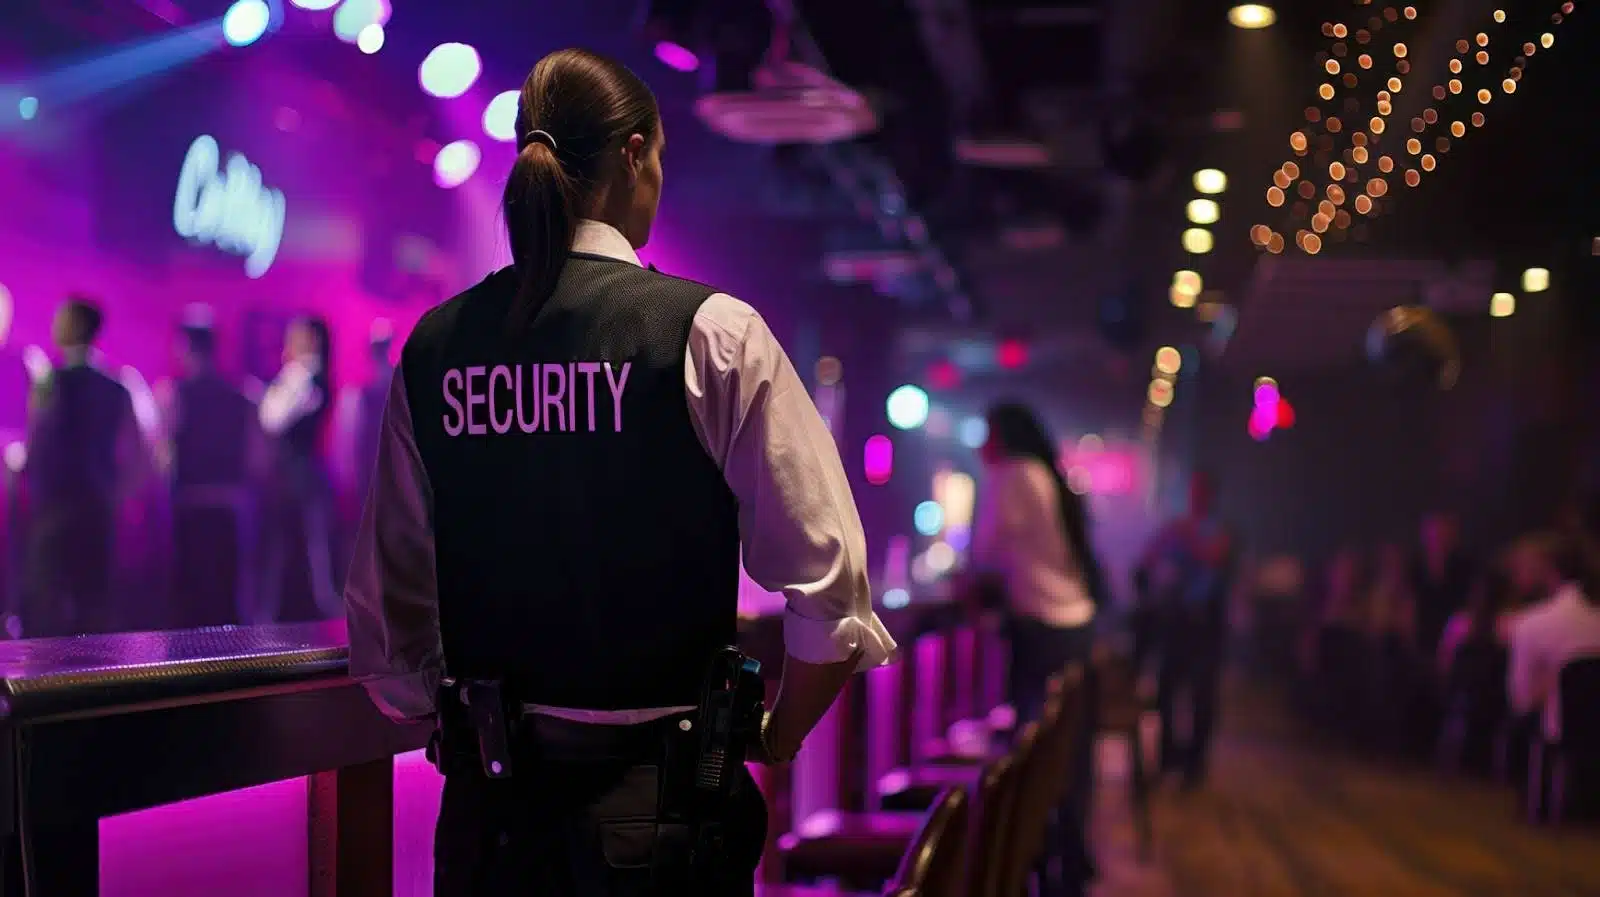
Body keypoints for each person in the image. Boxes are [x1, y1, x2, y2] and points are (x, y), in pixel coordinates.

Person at [343, 48, 894, 897]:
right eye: (661, 158)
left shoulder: (435, 346)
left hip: (491, 823)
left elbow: (387, 625)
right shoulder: (710, 332)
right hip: (664, 815)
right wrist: (778, 735)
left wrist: (465, 711)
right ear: (633, 154)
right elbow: (828, 582)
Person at [969, 402, 1104, 897]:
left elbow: (982, 556)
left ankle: (1041, 866)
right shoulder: (1043, 474)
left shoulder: (1012, 476)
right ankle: (1066, 867)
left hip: (1043, 629)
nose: (981, 446)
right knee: (1063, 759)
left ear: (1002, 437)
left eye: (986, 434)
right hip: (1073, 624)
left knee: (1038, 761)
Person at [22, 296, 149, 635]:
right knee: (94, 602)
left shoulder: (50, 381)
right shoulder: (118, 386)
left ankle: (48, 683)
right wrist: (118, 496)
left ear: (74, 326)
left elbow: (37, 443)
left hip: (54, 507)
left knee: (49, 600)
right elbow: (138, 453)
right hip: (97, 506)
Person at [1134, 472, 1236, 789]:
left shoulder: (1221, 529)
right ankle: (1166, 759)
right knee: (1166, 690)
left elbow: (1215, 555)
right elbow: (1148, 561)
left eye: (1200, 491)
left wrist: (1185, 535)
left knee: (1201, 696)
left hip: (1206, 623)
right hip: (1176, 620)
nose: (1195, 497)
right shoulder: (1174, 528)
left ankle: (1194, 765)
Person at [165, 306, 258, 628]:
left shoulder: (175, 394)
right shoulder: (242, 395)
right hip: (230, 506)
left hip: (190, 505)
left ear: (185, 346)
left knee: (192, 601)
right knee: (227, 598)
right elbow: (256, 457)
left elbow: (164, 455)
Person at [255, 315, 340, 622]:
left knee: (297, 554)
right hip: (300, 479)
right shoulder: (309, 377)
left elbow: (271, 418)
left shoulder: (302, 376)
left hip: (296, 480)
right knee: (301, 553)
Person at [1506, 534, 1600, 747]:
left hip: (1562, 746)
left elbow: (1522, 701)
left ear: (1550, 571)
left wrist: (1553, 684)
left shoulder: (1533, 624)